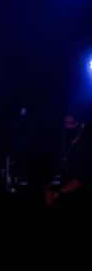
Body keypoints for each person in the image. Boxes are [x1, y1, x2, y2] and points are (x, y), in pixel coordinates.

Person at [42, 108, 91, 266]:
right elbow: (50, 168)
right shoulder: (58, 142)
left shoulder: (86, 145)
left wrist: (60, 192)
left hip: (77, 199)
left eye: (72, 123)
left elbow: (84, 177)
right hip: (57, 196)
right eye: (65, 123)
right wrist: (48, 190)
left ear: (80, 124)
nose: (68, 126)